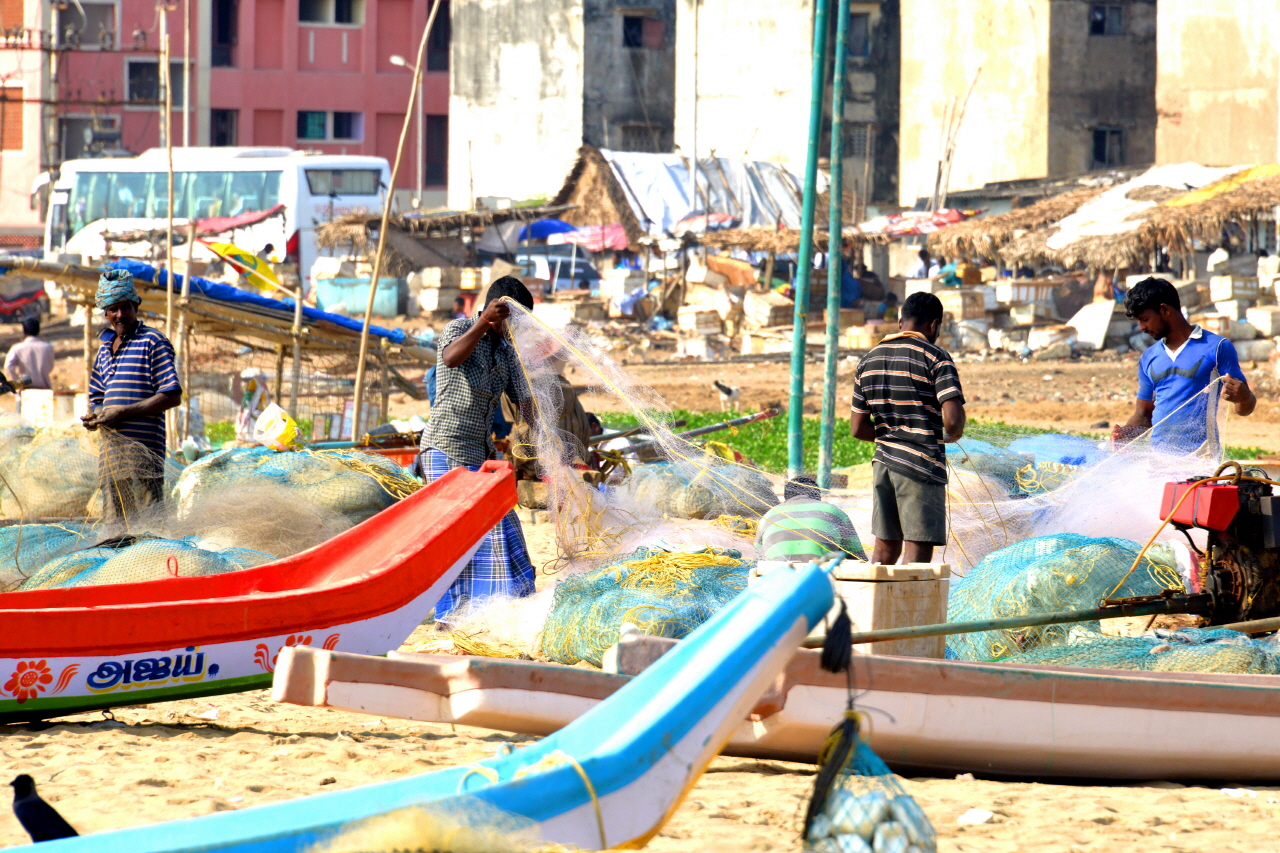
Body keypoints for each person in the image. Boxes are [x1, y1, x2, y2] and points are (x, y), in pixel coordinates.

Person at [418, 276, 537, 624]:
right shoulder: (459, 329)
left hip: (481, 453)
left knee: (503, 528)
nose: (517, 330)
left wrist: (533, 429)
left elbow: (524, 401)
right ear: (499, 310)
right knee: (457, 537)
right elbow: (452, 358)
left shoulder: (507, 352)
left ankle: (496, 610)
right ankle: (453, 615)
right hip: (445, 446)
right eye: (515, 320)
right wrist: (484, 322)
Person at [850, 292, 965, 564]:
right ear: (933, 325)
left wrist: (893, 435)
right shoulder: (936, 358)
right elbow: (953, 422)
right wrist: (947, 434)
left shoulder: (868, 361)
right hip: (921, 466)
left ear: (901, 323)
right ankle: (903, 607)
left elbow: (857, 428)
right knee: (918, 549)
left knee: (884, 548)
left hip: (883, 465)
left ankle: (875, 604)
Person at [81, 269, 182, 524]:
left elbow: (171, 395)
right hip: (112, 458)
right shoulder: (104, 348)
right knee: (115, 526)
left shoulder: (153, 341)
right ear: (105, 312)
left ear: (135, 305)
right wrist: (96, 415)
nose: (120, 315)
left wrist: (123, 412)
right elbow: (97, 395)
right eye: (113, 309)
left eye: (125, 307)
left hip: (144, 457)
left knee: (149, 528)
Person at [1112, 277, 1255, 455]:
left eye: (1145, 319)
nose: (1141, 327)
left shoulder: (1217, 347)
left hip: (1202, 460)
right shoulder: (1149, 357)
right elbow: (1143, 416)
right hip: (1158, 462)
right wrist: (1126, 433)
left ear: (1164, 310)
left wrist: (1243, 398)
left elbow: (1245, 407)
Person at [756, 477, 867, 563]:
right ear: (818, 497)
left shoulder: (768, 516)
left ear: (786, 498)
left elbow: (759, 555)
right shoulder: (833, 512)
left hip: (777, 577)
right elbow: (859, 559)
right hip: (817, 577)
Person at [5, 317, 54, 390]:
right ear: (38, 331)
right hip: (45, 390)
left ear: (24, 332)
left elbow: (8, 367)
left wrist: (17, 382)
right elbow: (50, 367)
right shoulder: (48, 347)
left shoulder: (17, 348)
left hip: (24, 389)